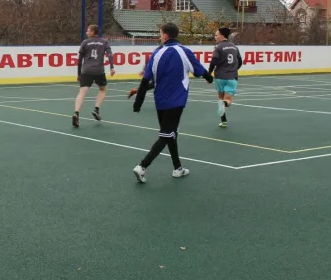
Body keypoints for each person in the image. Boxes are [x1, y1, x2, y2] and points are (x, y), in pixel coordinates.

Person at [132, 22, 214, 183]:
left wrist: (138, 103)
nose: (159, 36)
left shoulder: (156, 53)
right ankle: (142, 166)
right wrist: (210, 78)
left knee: (170, 133)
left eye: (160, 33)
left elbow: (145, 81)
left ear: (166, 35)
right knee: (166, 135)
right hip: (176, 101)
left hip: (160, 101)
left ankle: (178, 168)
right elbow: (200, 70)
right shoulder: (184, 51)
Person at [73, 24, 115, 127]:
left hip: (86, 70)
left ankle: (76, 113)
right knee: (103, 89)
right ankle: (96, 109)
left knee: (82, 92)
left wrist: (79, 74)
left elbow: (79, 60)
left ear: (93, 32)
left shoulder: (85, 43)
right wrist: (112, 67)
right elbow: (110, 55)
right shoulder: (104, 42)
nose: (86, 32)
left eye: (88, 30)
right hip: (99, 70)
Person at [209, 27, 242, 128]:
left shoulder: (218, 47)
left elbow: (213, 61)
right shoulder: (234, 47)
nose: (215, 37)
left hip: (220, 77)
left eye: (216, 35)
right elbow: (240, 61)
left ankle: (223, 121)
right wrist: (234, 70)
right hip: (231, 77)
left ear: (222, 35)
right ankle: (225, 104)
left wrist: (208, 73)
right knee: (228, 100)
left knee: (220, 98)